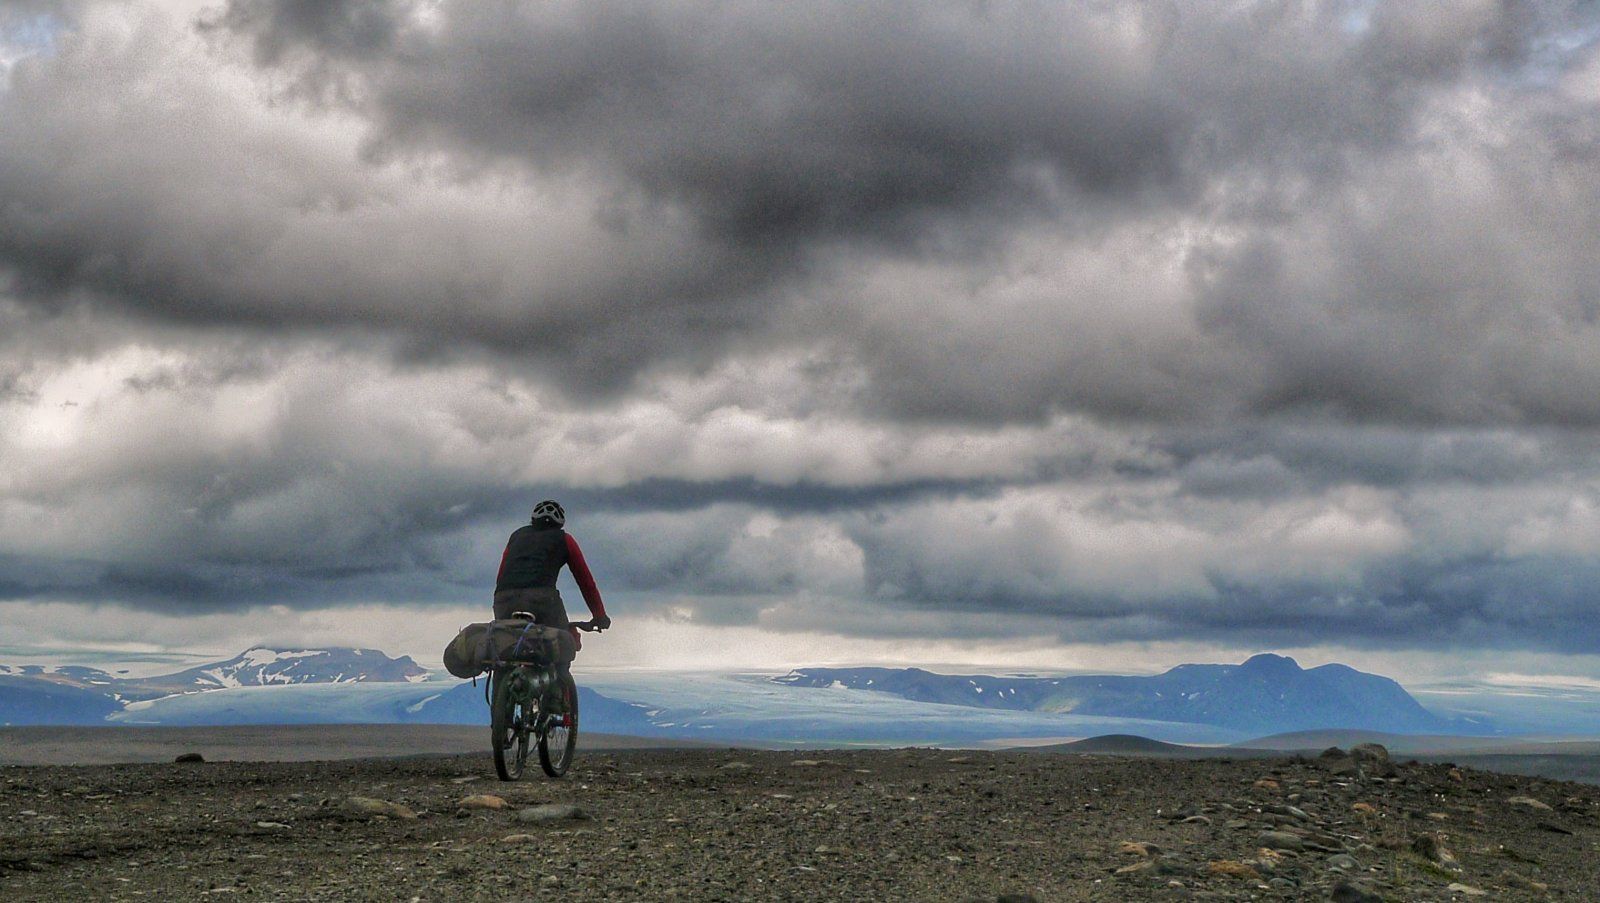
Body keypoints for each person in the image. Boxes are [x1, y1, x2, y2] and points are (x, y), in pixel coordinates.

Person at [493, 500, 611, 649]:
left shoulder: (516, 536)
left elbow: (501, 576)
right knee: (565, 643)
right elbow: (586, 582)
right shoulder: (565, 539)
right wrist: (599, 615)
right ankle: (564, 661)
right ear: (559, 524)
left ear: (533, 519)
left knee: (505, 647)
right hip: (542, 600)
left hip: (503, 599)